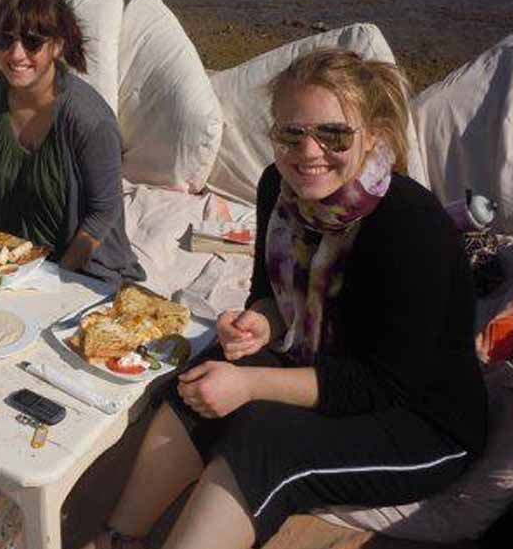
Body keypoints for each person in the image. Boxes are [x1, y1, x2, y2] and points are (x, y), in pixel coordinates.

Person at [87, 48, 487, 549]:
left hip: (421, 422)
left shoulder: (410, 225)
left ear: (373, 137)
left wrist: (253, 383)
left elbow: (383, 385)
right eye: (291, 134)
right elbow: (267, 293)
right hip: (322, 359)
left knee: (263, 439)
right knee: (201, 384)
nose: (309, 151)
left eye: (333, 134)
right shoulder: (277, 186)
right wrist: (262, 323)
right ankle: (118, 538)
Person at [0, 0, 144, 289]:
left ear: (57, 46)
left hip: (81, 269)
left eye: (32, 42)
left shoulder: (89, 119)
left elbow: (104, 212)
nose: (16, 54)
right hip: (10, 264)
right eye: (5, 40)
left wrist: (54, 277)